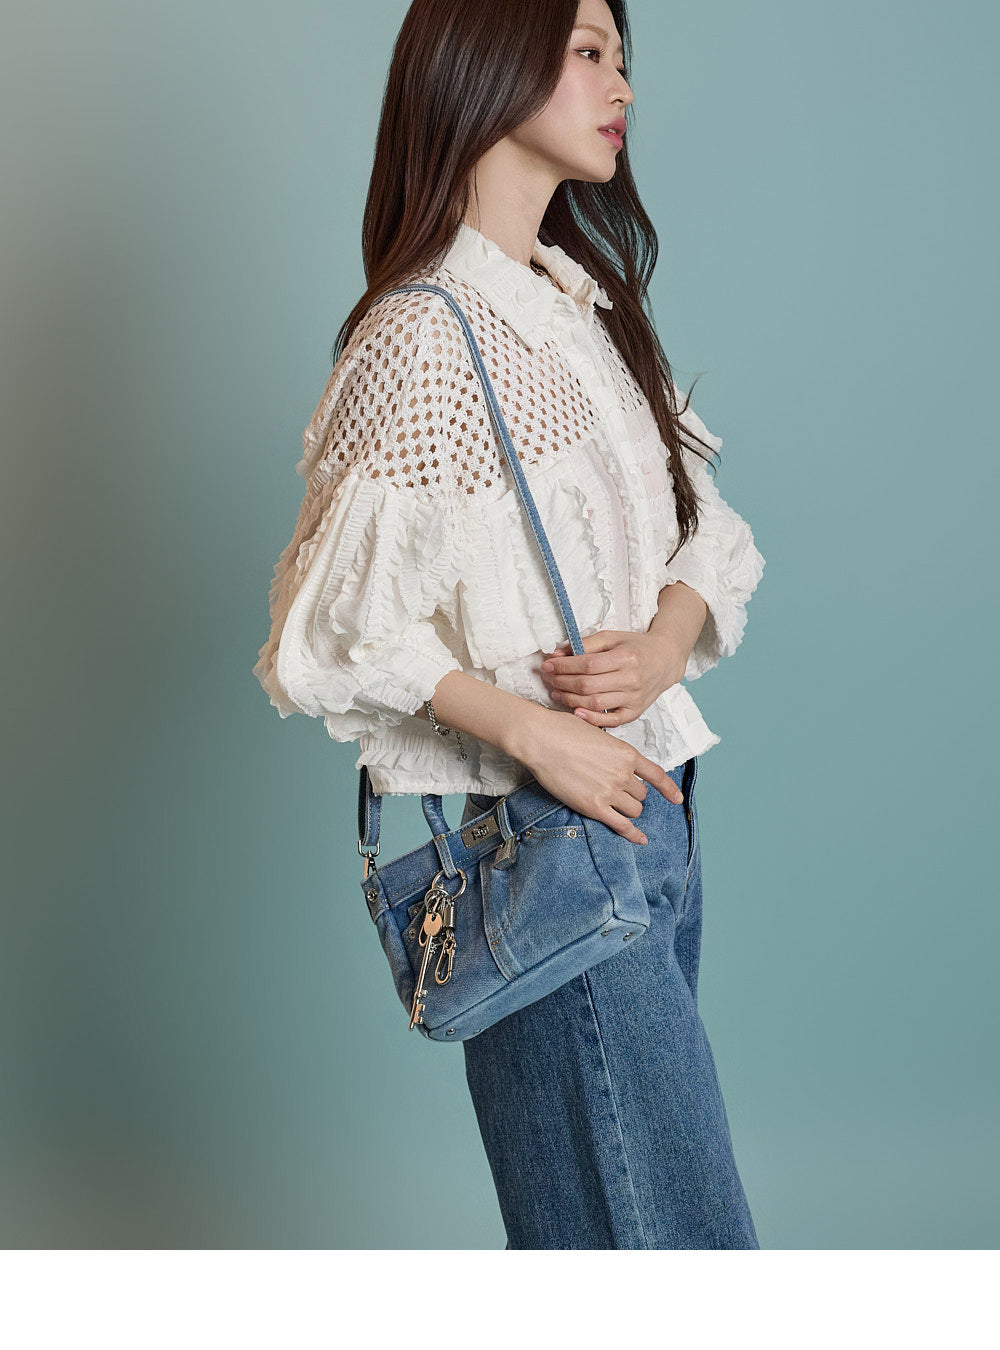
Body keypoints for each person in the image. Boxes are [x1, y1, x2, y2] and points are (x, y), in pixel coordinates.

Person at [253, 0, 765, 1249]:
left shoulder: (582, 309)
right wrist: (536, 737)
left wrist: (660, 645)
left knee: (605, 1235)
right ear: (487, 63)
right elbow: (329, 630)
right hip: (547, 832)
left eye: (622, 59)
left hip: (659, 808)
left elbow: (709, 531)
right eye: (588, 52)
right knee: (660, 1243)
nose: (621, 85)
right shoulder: (423, 337)